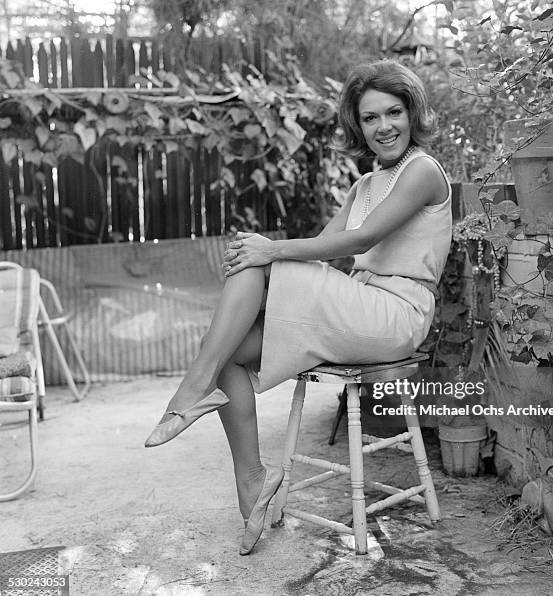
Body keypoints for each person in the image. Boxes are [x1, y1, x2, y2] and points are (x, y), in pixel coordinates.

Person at [144, 59, 452, 555]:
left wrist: (271, 252)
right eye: (370, 118)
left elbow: (362, 238)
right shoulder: (366, 185)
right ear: (358, 125)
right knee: (229, 351)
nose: (383, 127)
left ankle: (190, 390)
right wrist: (267, 263)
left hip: (396, 313)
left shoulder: (424, 172)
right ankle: (252, 480)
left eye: (393, 112)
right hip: (358, 305)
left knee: (259, 256)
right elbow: (327, 245)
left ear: (413, 113)